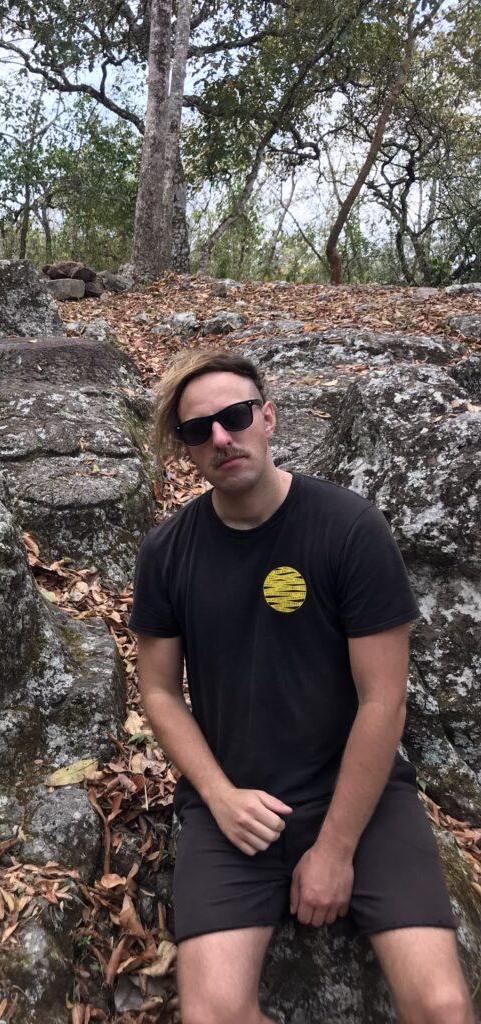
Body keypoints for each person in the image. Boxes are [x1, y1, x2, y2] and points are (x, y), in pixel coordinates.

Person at [128, 350, 474, 1024]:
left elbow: (384, 700)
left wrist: (336, 849)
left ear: (268, 415)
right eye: (200, 431)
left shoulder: (348, 528)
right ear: (187, 452)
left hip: (359, 795)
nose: (222, 438)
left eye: (234, 417)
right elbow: (160, 693)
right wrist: (219, 795)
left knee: (441, 1004)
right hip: (233, 805)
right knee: (214, 1014)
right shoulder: (167, 553)